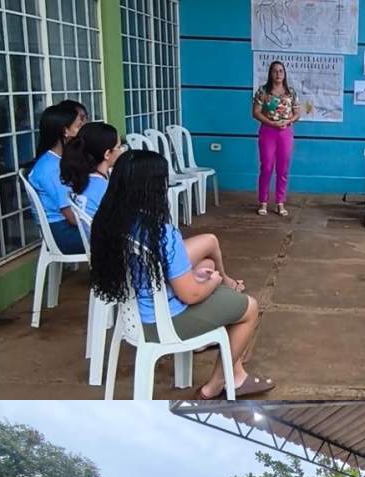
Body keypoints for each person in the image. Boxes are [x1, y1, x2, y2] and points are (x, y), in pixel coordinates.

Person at [90, 149, 275, 399]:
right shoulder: (161, 233)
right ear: (154, 188)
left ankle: (237, 373)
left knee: (208, 270)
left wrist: (197, 274)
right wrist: (215, 281)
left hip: (132, 317)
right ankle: (218, 384)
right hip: (164, 322)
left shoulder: (109, 223)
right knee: (249, 308)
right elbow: (191, 294)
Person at [27, 103, 86, 253]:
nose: (83, 130)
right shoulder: (51, 169)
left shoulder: (58, 160)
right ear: (66, 131)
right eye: (79, 126)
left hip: (68, 228)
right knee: (120, 236)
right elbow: (72, 217)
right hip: (64, 234)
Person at [253, 60, 300, 217]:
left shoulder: (291, 92)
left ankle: (280, 202)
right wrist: (271, 122)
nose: (278, 74)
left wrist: (287, 121)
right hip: (268, 132)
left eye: (281, 71)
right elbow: (256, 112)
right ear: (270, 73)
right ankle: (263, 202)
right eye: (275, 71)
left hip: (285, 132)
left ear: (284, 74)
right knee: (266, 167)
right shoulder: (263, 91)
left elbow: (297, 113)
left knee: (283, 169)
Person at [60, 121, 123, 218]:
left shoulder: (79, 178)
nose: (121, 151)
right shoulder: (106, 189)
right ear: (107, 154)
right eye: (118, 147)